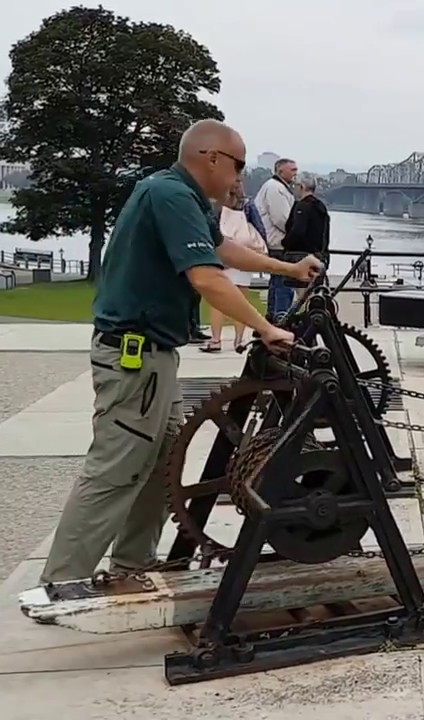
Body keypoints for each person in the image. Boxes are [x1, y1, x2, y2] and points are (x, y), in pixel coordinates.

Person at [38, 119, 323, 585]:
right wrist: (266, 327)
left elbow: (223, 249)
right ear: (211, 157)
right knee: (116, 468)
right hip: (135, 359)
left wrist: (288, 268)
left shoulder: (182, 196)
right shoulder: (169, 195)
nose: (239, 179)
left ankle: (132, 566)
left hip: (156, 358)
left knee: (161, 464)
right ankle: (61, 584)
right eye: (237, 166)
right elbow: (207, 277)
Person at [201, 174, 268, 352]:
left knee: (217, 301)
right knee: (242, 300)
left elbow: (208, 229)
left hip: (224, 254)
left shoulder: (216, 204)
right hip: (243, 254)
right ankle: (239, 340)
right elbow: (259, 228)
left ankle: (216, 340)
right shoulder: (248, 205)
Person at [253, 157, 298, 318]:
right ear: (280, 171)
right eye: (292, 170)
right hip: (278, 243)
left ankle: (272, 318)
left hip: (273, 242)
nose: (296, 173)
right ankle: (281, 319)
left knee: (277, 282)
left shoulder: (275, 187)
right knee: (284, 283)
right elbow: (281, 219)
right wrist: (296, 235)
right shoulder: (276, 189)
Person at [282, 176, 330, 300]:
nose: (295, 189)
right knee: (314, 294)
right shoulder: (321, 207)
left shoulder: (302, 207)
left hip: (301, 255)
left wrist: (286, 243)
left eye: (296, 186)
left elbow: (297, 231)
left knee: (301, 295)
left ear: (302, 187)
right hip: (318, 254)